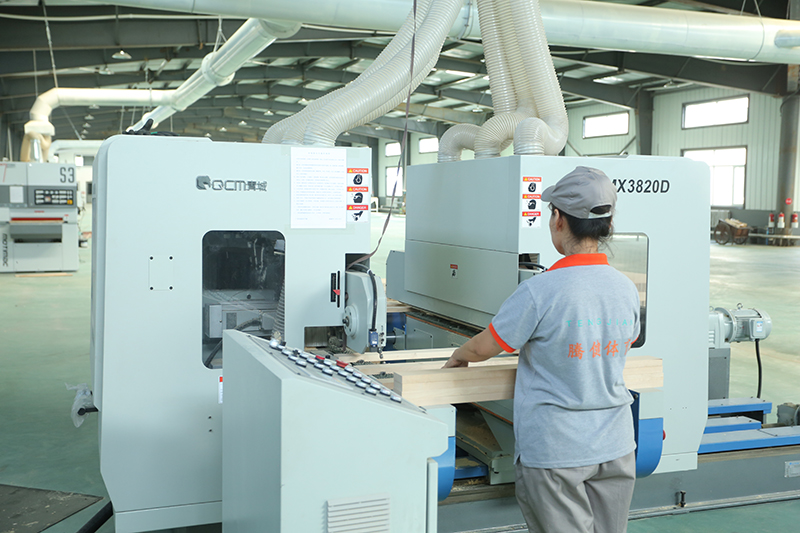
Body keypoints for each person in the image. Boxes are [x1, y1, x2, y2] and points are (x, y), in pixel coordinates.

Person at [443, 166, 640, 533]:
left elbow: (486, 347)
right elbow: (623, 344)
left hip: (557, 450)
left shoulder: (541, 290)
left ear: (558, 220)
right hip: (616, 445)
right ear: (608, 225)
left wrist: (459, 356)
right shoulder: (625, 288)